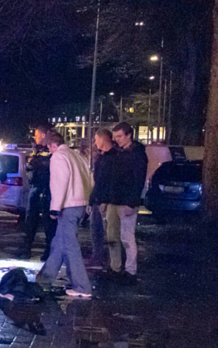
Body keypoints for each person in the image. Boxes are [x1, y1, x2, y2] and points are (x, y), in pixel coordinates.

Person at [36, 131, 93, 298]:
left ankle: (82, 286)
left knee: (70, 246)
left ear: (53, 145)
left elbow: (59, 183)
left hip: (68, 206)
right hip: (80, 204)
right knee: (59, 243)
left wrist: (54, 208)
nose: (49, 151)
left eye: (49, 147)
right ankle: (44, 280)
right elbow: (90, 180)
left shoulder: (59, 157)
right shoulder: (77, 156)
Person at [105, 121, 148, 283]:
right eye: (115, 137)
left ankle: (130, 270)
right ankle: (116, 267)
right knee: (113, 236)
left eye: (120, 136)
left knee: (126, 237)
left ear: (129, 135)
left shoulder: (137, 155)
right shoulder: (119, 153)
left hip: (125, 201)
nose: (117, 140)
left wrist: (132, 202)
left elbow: (138, 180)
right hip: (115, 199)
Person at [18, 124, 57, 260]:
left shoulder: (51, 148)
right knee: (30, 220)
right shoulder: (37, 149)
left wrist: (37, 163)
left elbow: (49, 167)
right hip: (35, 187)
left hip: (46, 188)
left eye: (36, 135)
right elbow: (31, 165)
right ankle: (26, 248)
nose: (35, 137)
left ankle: (48, 251)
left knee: (48, 222)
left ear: (43, 135)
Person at [88, 128, 117, 270]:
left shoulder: (112, 158)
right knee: (96, 229)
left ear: (103, 139)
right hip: (98, 199)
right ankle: (98, 258)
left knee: (105, 231)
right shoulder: (103, 157)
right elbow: (98, 181)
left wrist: (104, 200)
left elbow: (109, 181)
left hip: (104, 200)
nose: (95, 142)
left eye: (96, 139)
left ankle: (103, 260)